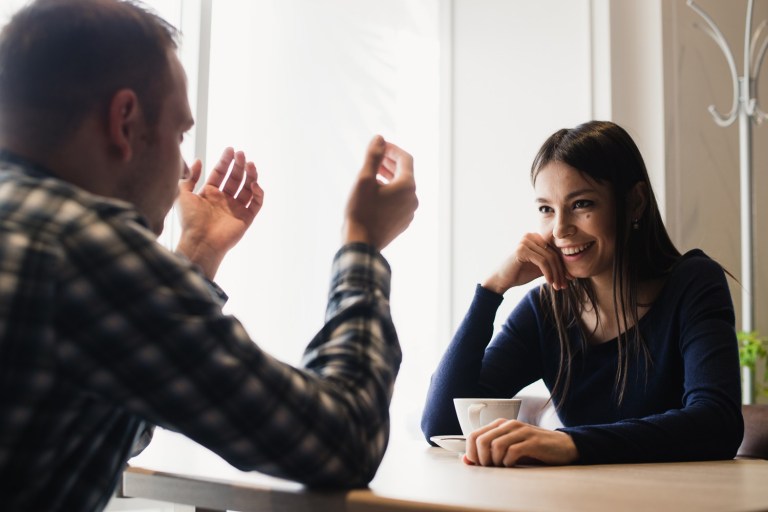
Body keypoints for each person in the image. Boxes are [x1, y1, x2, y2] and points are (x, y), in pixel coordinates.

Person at [0, 0, 418, 510]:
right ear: (125, 121)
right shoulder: (78, 245)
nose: (181, 163)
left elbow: (91, 427)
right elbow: (344, 437)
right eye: (180, 134)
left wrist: (194, 254)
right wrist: (363, 243)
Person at [421, 120, 743, 468]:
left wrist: (570, 444)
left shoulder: (693, 284)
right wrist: (491, 289)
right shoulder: (547, 308)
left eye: (581, 204)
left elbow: (717, 424)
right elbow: (442, 425)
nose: (560, 229)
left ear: (635, 202)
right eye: (546, 209)